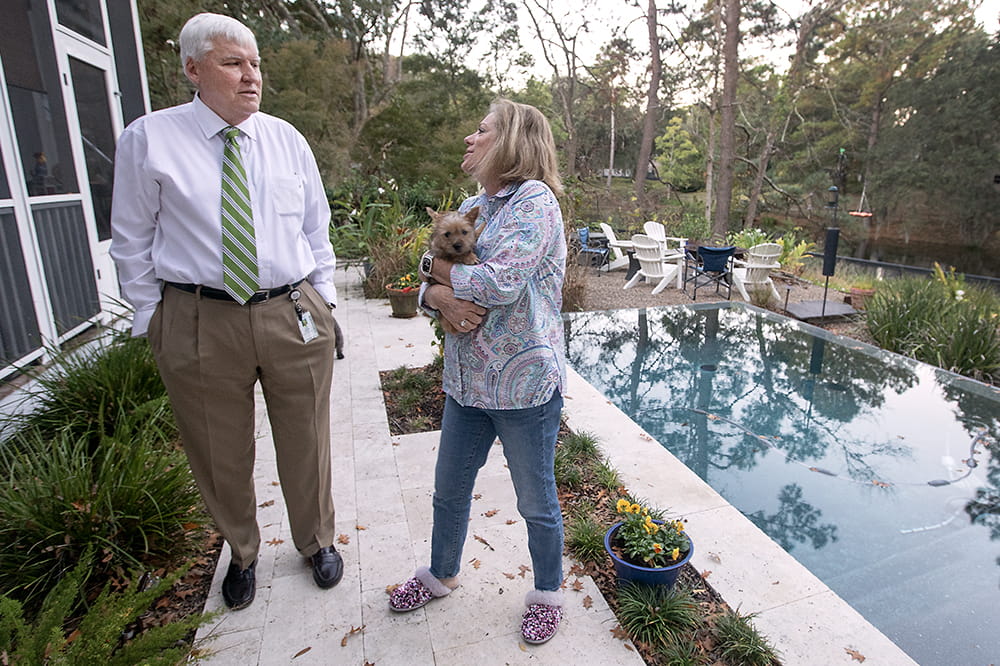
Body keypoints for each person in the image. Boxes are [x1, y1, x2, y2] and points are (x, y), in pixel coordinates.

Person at [109, 12, 343, 611]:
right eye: (233, 63)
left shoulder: (286, 139)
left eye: (256, 64)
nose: (250, 77)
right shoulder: (149, 139)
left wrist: (325, 300)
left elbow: (318, 229)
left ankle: (316, 541)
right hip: (198, 319)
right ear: (193, 69)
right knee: (219, 448)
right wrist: (152, 319)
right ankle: (241, 552)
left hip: (290, 310)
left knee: (307, 437)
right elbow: (131, 239)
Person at [389, 99, 568, 645]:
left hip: (523, 385)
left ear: (511, 141)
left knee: (535, 500)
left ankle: (547, 593)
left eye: (482, 130)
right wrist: (437, 291)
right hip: (467, 383)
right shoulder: (474, 205)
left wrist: (436, 280)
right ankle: (442, 573)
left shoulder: (534, 203)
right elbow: (422, 272)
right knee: (448, 489)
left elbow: (497, 285)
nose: (470, 138)